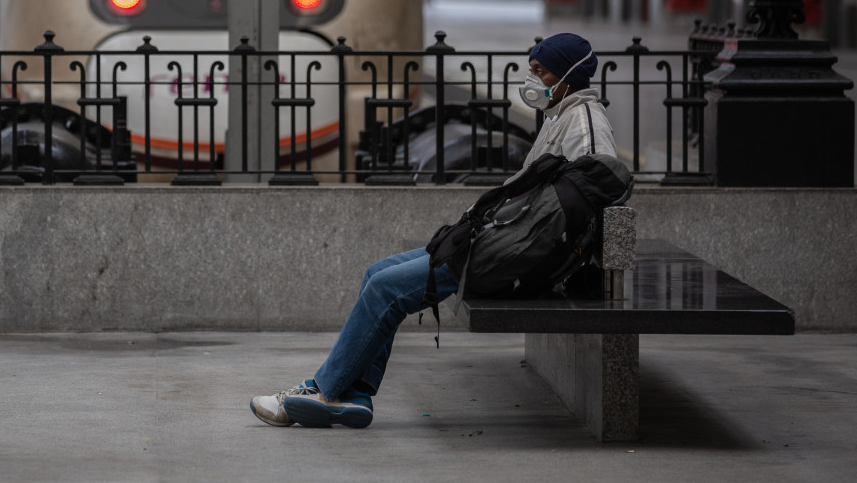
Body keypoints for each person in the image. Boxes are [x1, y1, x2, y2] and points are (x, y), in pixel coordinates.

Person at [249, 32, 616, 429]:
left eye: (540, 71)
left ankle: (325, 390)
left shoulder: (584, 125)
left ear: (567, 74)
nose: (532, 80)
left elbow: (594, 198)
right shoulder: (560, 114)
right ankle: (355, 394)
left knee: (385, 290)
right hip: (498, 240)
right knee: (377, 273)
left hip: (510, 257)